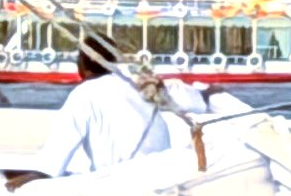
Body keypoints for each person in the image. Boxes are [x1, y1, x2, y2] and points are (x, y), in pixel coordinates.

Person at [32, 32, 214, 179]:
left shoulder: (83, 94)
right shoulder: (140, 84)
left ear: (82, 66)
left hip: (122, 181)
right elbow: (195, 102)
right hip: (163, 174)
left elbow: (56, 156)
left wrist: (31, 177)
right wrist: (208, 93)